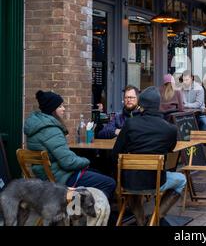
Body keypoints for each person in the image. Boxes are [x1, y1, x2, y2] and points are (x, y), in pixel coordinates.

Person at [112, 86, 186, 226]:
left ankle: (141, 221)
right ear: (158, 106)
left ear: (141, 106)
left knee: (134, 184)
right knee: (181, 180)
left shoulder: (130, 124)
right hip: (155, 181)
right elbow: (170, 149)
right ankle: (156, 219)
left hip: (128, 182)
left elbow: (115, 154)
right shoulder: (169, 129)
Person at [24, 90, 116, 200]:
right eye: (60, 106)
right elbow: (68, 162)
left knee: (98, 172)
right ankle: (98, 215)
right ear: (52, 110)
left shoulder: (37, 127)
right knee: (109, 182)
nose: (63, 109)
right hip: (60, 179)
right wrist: (86, 161)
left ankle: (83, 210)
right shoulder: (51, 130)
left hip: (48, 176)